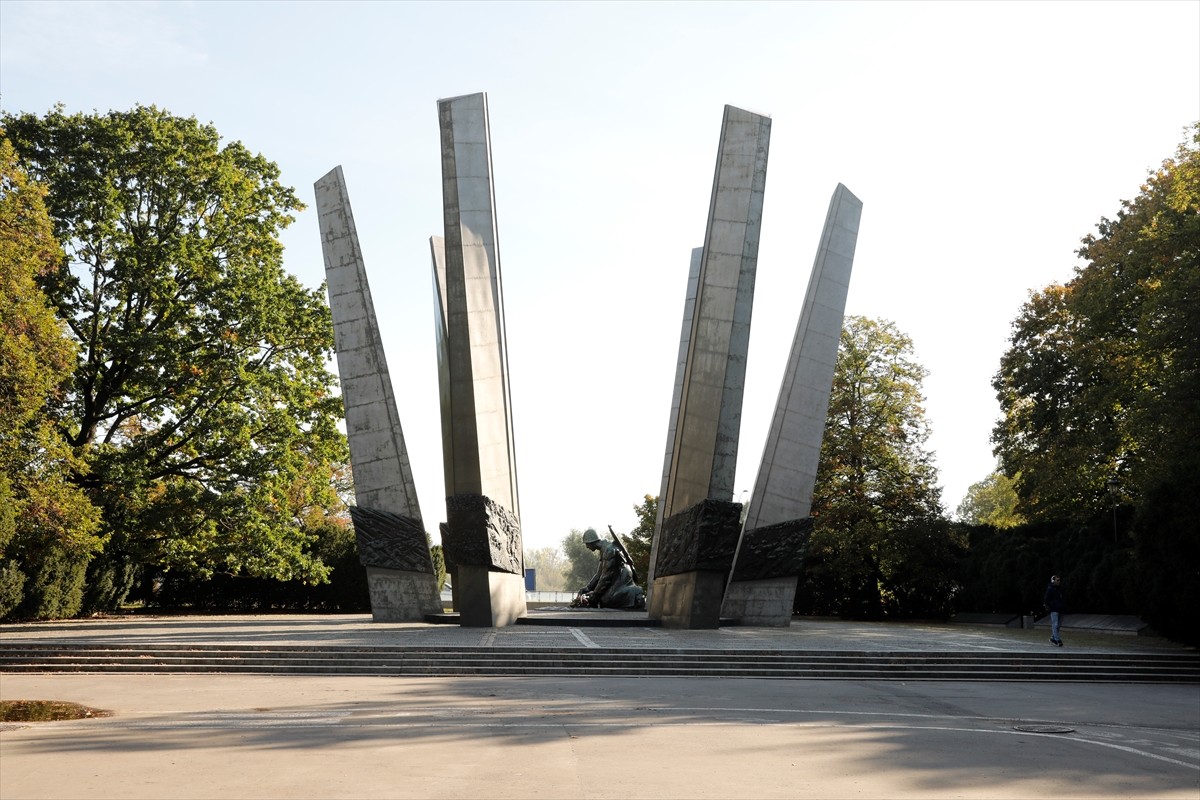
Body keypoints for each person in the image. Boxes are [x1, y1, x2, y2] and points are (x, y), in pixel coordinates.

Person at [575, 528, 646, 610]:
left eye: (586, 544)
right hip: (618, 583)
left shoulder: (609, 550)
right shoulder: (604, 549)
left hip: (623, 583)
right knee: (601, 599)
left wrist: (594, 597)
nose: (587, 547)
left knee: (604, 601)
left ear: (591, 542)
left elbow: (606, 578)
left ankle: (634, 592)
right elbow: (599, 574)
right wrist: (587, 588)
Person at [1044, 574, 1066, 647]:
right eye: (1057, 580)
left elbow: (1063, 598)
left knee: (1058, 626)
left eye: (1059, 580)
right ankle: (1058, 640)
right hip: (1054, 610)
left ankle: (1053, 638)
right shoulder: (1050, 589)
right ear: (1053, 580)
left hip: (1061, 610)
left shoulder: (1061, 589)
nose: (1059, 582)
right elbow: (1046, 599)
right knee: (1055, 625)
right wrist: (1052, 606)